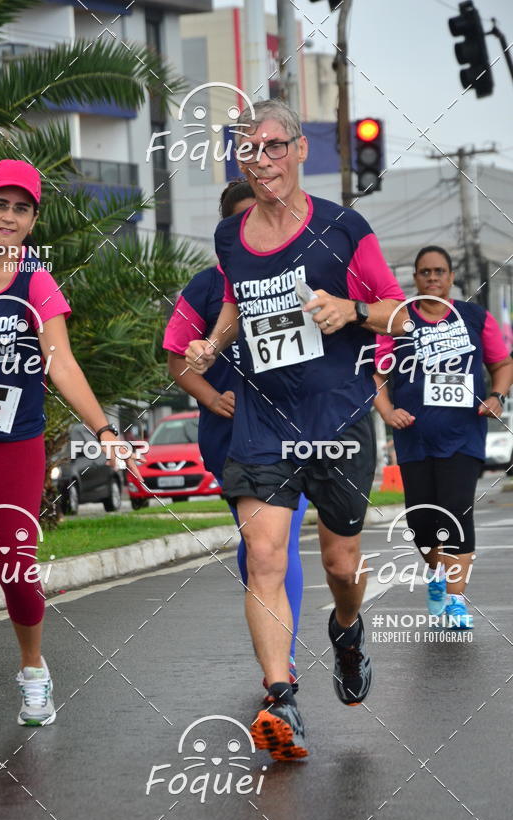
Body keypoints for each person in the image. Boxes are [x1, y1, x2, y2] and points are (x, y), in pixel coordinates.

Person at [185, 100, 406, 761]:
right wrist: (211, 343)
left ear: (301, 151)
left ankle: (346, 629)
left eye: (275, 147)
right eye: (250, 152)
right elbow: (235, 302)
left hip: (337, 420)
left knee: (341, 564)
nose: (263, 162)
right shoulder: (231, 237)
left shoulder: (343, 229)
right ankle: (280, 701)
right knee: (265, 555)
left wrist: (352, 308)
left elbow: (399, 314)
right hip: (262, 421)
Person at [0, 159, 137, 728]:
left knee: (16, 566)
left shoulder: (37, 281)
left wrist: (105, 430)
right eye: (0, 204)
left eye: (21, 208)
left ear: (33, 219)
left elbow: (60, 364)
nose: (8, 217)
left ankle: (33, 670)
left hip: (15, 437)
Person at [164, 180, 309, 698]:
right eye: (247, 221)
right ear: (228, 231)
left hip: (292, 432)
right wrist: (208, 396)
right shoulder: (204, 288)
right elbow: (176, 356)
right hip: (229, 435)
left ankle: (282, 663)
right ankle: (274, 650)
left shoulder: (299, 277)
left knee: (279, 545)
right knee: (257, 548)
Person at [373, 245, 513, 627]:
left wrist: (496, 397)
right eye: (424, 272)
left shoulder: (474, 317)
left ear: (451, 278)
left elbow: (502, 363)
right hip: (414, 438)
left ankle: (455, 600)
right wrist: (387, 411)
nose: (432, 278)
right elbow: (377, 374)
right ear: (415, 279)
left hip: (462, 434)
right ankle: (437, 577)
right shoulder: (399, 321)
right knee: (421, 524)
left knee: (455, 512)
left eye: (439, 272)